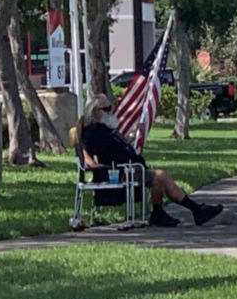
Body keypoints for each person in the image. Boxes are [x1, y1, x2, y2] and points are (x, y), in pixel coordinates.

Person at [73, 94, 225, 228]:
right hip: (119, 173)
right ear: (96, 111)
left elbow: (117, 147)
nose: (111, 111)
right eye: (107, 108)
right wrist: (106, 170)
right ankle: (190, 210)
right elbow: (89, 162)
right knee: (159, 176)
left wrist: (134, 134)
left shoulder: (105, 130)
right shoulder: (91, 133)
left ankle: (187, 211)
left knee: (160, 177)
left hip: (129, 169)